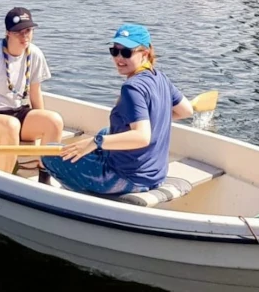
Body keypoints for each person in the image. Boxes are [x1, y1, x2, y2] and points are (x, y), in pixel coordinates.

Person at [41, 23, 194, 195]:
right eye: (115, 51)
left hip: (127, 179)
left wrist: (95, 142)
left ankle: (76, 195)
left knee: (49, 153)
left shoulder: (132, 88)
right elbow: (185, 110)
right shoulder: (159, 77)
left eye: (126, 52)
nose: (119, 58)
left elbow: (142, 137)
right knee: (106, 131)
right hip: (156, 174)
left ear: (144, 53)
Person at [0, 8, 63, 174]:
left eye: (28, 31)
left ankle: (44, 174)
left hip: (16, 112)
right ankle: (3, 181)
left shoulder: (34, 54)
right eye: (18, 32)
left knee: (54, 121)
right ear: (7, 33)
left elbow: (35, 93)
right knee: (11, 126)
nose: (24, 36)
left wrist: (41, 127)